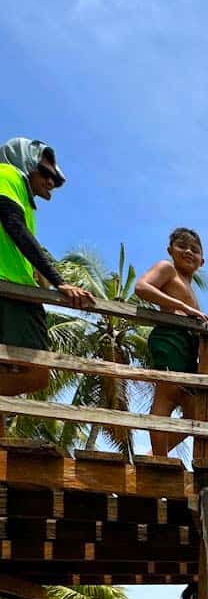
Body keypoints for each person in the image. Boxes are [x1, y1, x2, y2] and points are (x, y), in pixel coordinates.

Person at [0, 138, 94, 424]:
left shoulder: (25, 201)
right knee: (37, 371)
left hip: (17, 288)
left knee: (15, 370)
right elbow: (13, 226)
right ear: (24, 162)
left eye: (56, 179)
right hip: (9, 290)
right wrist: (59, 282)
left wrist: (41, 281)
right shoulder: (7, 175)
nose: (51, 181)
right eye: (46, 173)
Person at [135, 228, 208, 458]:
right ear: (171, 251)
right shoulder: (167, 268)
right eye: (182, 246)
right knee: (167, 394)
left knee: (195, 412)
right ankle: (160, 459)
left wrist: (207, 335)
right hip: (169, 337)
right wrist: (185, 308)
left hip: (187, 345)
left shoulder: (189, 288)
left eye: (195, 250)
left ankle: (155, 454)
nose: (188, 252)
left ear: (202, 261)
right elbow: (142, 287)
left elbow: (194, 318)